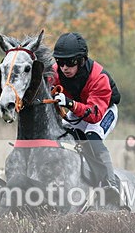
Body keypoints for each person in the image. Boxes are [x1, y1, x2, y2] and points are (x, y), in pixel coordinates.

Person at [50, 32, 123, 206]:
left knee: (91, 137)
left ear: (81, 60)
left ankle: (110, 181)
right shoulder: (55, 72)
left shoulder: (99, 78)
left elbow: (94, 115)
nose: (64, 67)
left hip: (103, 110)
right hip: (78, 107)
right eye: (60, 62)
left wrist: (69, 103)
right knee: (62, 135)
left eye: (70, 62)